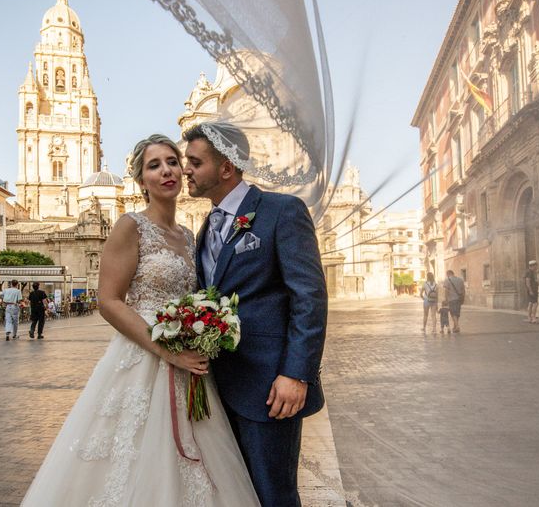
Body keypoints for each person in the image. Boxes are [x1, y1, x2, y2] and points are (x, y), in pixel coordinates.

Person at [22, 135, 259, 506]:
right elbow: (109, 301)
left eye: (172, 161)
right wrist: (166, 350)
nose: (167, 170)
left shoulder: (188, 235)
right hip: (143, 359)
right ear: (141, 181)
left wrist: (203, 330)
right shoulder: (129, 226)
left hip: (189, 360)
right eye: (154, 165)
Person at [184, 121, 327, 507]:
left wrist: (297, 373)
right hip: (218, 387)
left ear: (226, 168)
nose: (186, 170)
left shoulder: (282, 211)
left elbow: (309, 297)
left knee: (273, 494)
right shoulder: (205, 228)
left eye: (195, 162)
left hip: (271, 387)